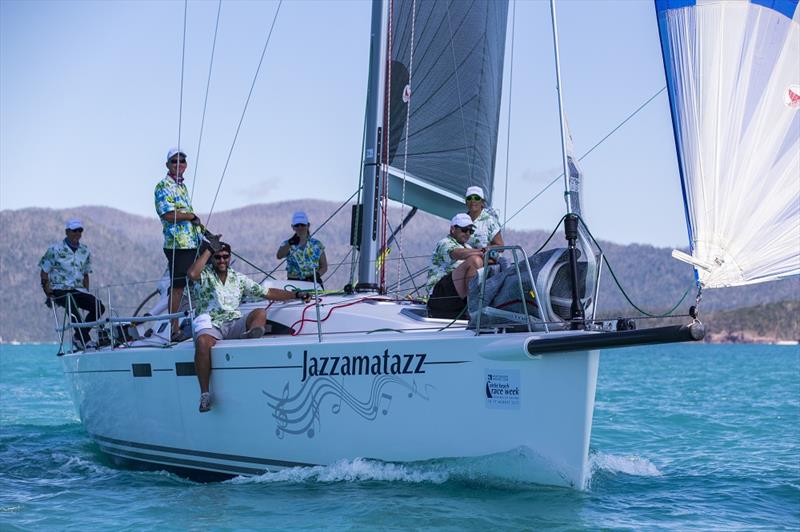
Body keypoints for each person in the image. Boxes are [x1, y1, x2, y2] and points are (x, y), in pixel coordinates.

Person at [187, 241, 309, 412]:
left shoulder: (238, 278)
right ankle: (205, 394)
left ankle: (252, 334)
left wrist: (296, 294)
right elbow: (192, 273)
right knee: (202, 343)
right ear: (212, 259)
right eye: (218, 257)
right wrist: (208, 249)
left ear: (230, 258)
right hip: (211, 323)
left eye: (225, 256)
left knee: (259, 312)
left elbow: (267, 293)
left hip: (233, 321)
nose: (222, 260)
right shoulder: (204, 275)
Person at [154, 147, 203, 342]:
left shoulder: (182, 186)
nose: (178, 164)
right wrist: (191, 215)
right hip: (177, 244)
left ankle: (197, 321)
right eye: (174, 161)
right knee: (178, 287)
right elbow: (167, 214)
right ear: (167, 165)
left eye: (182, 161)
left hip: (192, 241)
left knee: (196, 282)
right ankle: (174, 329)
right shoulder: (163, 186)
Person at [39, 219, 107, 349]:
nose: (77, 233)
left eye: (80, 230)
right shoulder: (55, 249)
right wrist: (48, 294)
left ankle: (78, 336)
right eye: (74, 230)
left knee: (99, 307)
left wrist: (87, 291)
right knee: (73, 307)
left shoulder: (85, 251)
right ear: (67, 232)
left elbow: (86, 274)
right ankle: (85, 341)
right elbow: (44, 272)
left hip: (78, 290)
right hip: (59, 289)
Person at [426, 213, 486, 319]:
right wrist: (482, 251)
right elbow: (457, 253)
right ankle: (472, 307)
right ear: (453, 229)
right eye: (464, 229)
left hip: (457, 295)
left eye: (470, 231)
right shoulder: (444, 243)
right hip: (440, 295)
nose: (467, 233)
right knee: (475, 260)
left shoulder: (468, 247)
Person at [276, 211, 328, 289]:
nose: (300, 227)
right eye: (297, 225)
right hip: (294, 283)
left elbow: (324, 266)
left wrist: (316, 275)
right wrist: (289, 243)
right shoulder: (287, 244)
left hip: (313, 282)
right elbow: (279, 256)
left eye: (302, 225)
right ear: (293, 227)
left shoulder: (317, 244)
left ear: (308, 225)